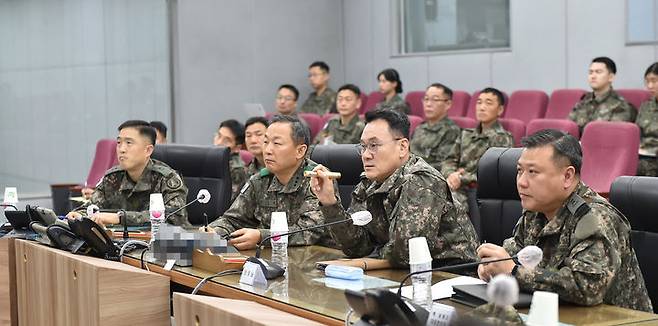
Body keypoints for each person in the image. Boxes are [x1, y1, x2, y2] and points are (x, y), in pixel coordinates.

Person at [477, 129, 652, 312]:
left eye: (533, 172)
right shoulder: (536, 210)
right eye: (519, 171)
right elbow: (514, 253)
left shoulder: (596, 218)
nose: (522, 182)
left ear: (567, 176)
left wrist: (513, 271)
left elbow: (586, 287)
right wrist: (493, 265)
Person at [310, 109, 478, 267]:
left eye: (374, 145)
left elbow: (404, 252)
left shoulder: (421, 180)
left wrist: (368, 258)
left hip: (450, 275)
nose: (366, 155)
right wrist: (330, 202)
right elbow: (356, 247)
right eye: (363, 146)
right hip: (401, 273)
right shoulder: (370, 182)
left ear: (402, 147)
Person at [206, 115, 336, 250]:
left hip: (315, 260)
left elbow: (310, 231)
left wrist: (261, 236)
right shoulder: (260, 180)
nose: (267, 150)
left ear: (300, 150)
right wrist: (214, 231)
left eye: (277, 143)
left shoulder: (318, 179)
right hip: (272, 258)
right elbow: (233, 219)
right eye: (266, 142)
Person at [67, 120, 189, 227]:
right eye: (119, 143)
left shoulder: (167, 179)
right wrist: (78, 215)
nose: (121, 149)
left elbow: (175, 217)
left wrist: (120, 218)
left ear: (148, 150)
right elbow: (91, 207)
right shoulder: (112, 178)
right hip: (121, 246)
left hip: (166, 248)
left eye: (129, 143)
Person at [441, 87, 514, 211]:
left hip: (478, 190)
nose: (482, 107)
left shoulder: (503, 138)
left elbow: (495, 174)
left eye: (488, 103)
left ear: (500, 109)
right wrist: (451, 175)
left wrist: (461, 178)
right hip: (455, 185)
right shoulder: (465, 134)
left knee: (445, 201)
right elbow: (449, 160)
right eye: (479, 102)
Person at [568, 57, 636, 133]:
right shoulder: (583, 102)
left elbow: (612, 136)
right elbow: (569, 128)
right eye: (590, 72)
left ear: (611, 77)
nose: (593, 76)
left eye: (598, 72)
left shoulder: (620, 106)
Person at [410, 83, 461, 171]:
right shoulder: (420, 127)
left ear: (448, 104)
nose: (428, 104)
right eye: (426, 99)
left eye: (435, 99)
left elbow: (444, 164)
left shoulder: (451, 131)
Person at [213, 119, 248, 202]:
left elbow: (228, 201)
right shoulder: (212, 158)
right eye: (218, 136)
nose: (218, 143)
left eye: (226, 140)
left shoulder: (237, 170)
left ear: (237, 148)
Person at [636, 62, 658, 176]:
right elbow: (637, 133)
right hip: (641, 155)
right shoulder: (646, 106)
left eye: (654, 81)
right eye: (647, 81)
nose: (650, 86)